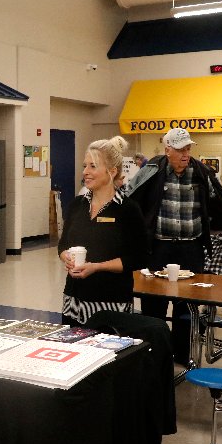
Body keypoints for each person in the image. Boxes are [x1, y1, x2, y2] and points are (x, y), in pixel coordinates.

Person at [127, 127, 222, 364]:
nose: (185, 154)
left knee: (187, 306)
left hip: (191, 249)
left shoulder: (202, 172)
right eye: (180, 149)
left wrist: (216, 224)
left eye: (188, 149)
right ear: (167, 149)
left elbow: (221, 204)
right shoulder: (152, 169)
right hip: (158, 248)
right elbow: (130, 199)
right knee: (153, 305)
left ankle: (182, 354)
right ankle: (155, 355)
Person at [57, 136, 148, 325]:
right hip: (74, 302)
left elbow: (139, 257)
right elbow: (63, 244)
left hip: (111, 303)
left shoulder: (128, 209)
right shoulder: (77, 205)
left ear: (112, 171)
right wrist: (66, 257)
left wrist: (97, 267)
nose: (85, 172)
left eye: (93, 166)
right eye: (85, 166)